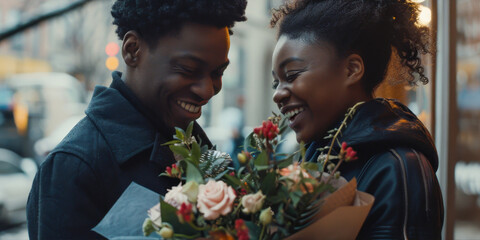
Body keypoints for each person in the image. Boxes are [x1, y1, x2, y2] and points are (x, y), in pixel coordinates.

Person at [27, 0, 247, 239]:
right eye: (188, 69)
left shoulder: (201, 149)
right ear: (132, 50)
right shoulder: (76, 166)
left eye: (218, 73)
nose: (207, 90)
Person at [270, 0, 443, 239]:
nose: (277, 94)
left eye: (292, 75)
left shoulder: (399, 168)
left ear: (351, 69)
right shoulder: (314, 155)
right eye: (275, 82)